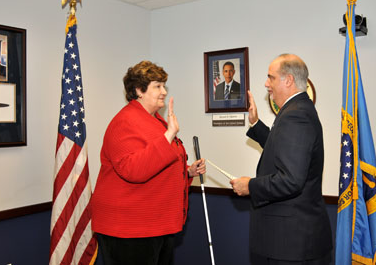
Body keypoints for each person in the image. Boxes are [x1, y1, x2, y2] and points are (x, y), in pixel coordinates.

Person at [91, 60, 206, 265]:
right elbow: (133, 170)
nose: (163, 91)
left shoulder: (155, 120)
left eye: (163, 86)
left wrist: (187, 172)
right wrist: (169, 135)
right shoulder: (125, 121)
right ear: (139, 90)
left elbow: (158, 164)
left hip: (157, 225)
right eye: (157, 86)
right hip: (129, 229)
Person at [230, 54, 332, 264]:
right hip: (292, 241)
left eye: (271, 78)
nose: (266, 84)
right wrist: (256, 124)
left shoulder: (296, 115)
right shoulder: (298, 110)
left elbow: (291, 179)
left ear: (288, 80)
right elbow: (284, 151)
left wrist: (250, 185)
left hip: (291, 244)